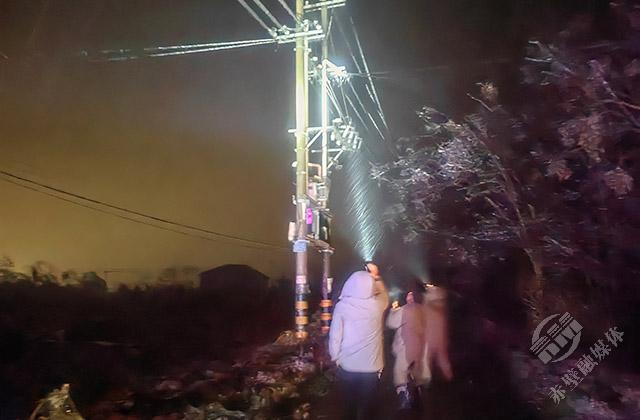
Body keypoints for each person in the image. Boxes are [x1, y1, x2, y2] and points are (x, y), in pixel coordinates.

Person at [329, 263, 389, 420]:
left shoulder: (342, 306)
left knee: (349, 406)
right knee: (369, 408)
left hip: (348, 365)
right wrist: (376, 277)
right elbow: (384, 295)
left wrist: (335, 357)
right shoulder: (377, 305)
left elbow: (335, 335)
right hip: (372, 368)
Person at [386, 288, 430, 410]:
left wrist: (393, 310)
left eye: (411, 295)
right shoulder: (424, 310)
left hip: (404, 348)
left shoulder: (403, 310)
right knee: (418, 371)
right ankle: (419, 391)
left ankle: (403, 394)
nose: (409, 298)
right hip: (420, 348)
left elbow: (391, 323)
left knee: (400, 372)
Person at [422, 283, 454, 381]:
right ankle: (448, 377)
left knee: (430, 359)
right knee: (441, 358)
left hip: (431, 336)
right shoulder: (440, 301)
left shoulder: (429, 301)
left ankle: (428, 380)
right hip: (437, 336)